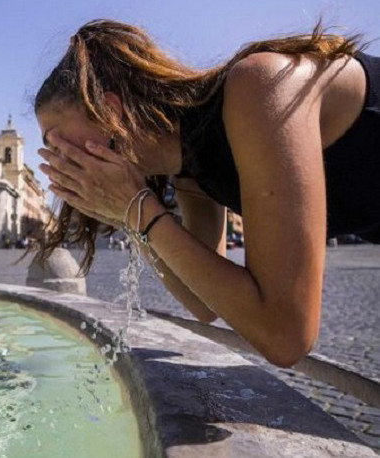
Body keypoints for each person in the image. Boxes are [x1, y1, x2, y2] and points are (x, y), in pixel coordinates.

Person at [34, 19, 380, 368]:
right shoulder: (189, 171)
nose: (54, 159)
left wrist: (137, 208)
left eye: (55, 140)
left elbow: (286, 337)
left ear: (109, 111)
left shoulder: (256, 87)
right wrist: (126, 213)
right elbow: (204, 304)